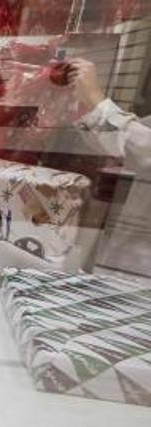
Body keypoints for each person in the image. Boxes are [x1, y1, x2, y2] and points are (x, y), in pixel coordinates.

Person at [69, 58, 151, 276]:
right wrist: (83, 104)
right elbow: (120, 143)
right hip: (125, 255)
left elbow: (142, 150)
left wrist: (97, 101)